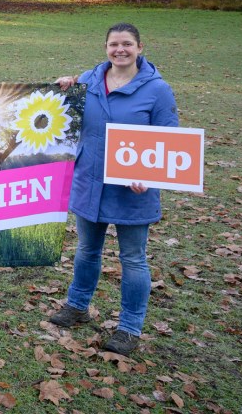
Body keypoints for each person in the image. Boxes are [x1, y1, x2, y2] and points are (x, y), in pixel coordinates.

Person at [47, 22, 179, 355]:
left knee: (133, 259)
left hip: (132, 190)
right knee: (87, 250)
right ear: (105, 48)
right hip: (91, 181)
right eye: (113, 44)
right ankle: (77, 306)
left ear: (140, 47)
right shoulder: (90, 80)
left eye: (127, 44)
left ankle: (129, 328)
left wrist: (151, 176)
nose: (120, 50)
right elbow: (67, 112)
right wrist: (65, 87)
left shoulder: (157, 90)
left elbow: (170, 142)